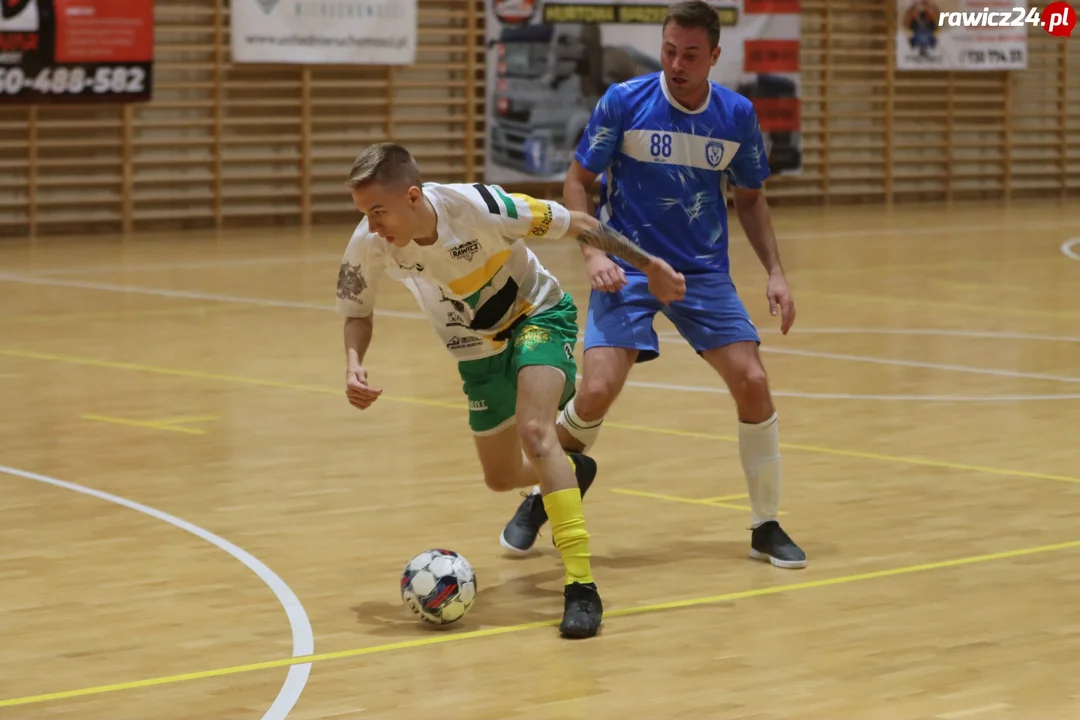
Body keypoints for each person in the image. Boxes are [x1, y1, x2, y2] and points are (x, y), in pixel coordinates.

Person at [499, 0, 807, 569]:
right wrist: (592, 253)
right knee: (593, 392)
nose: (676, 63)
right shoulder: (624, 102)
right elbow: (577, 182)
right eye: (669, 50)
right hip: (627, 265)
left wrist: (776, 273)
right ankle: (540, 498)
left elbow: (752, 198)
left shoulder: (737, 116)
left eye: (690, 54)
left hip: (702, 273)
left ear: (714, 56)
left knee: (753, 381)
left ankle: (766, 525)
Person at [334, 142, 686, 639]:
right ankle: (569, 470)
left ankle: (582, 587)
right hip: (474, 350)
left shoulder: (480, 206)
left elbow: (580, 224)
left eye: (377, 211)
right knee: (500, 479)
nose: (371, 224)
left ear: (412, 197)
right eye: (362, 213)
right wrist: (354, 363)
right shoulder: (370, 243)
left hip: (537, 315)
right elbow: (357, 311)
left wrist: (648, 265)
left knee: (537, 432)